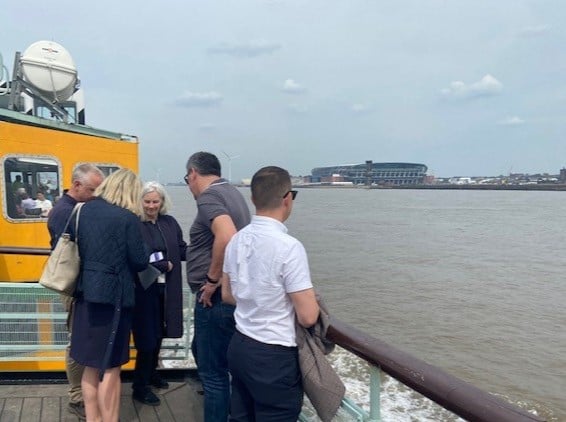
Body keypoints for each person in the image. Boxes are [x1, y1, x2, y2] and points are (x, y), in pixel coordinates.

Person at [221, 166, 320, 421]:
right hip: (273, 356)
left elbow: (227, 295)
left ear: (253, 199)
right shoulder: (289, 248)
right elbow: (308, 316)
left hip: (240, 344)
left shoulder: (237, 240)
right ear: (287, 198)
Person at [70, 168, 148, 422]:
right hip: (114, 300)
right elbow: (139, 261)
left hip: (84, 296)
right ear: (130, 192)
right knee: (112, 369)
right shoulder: (127, 218)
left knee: (90, 367)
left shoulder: (82, 210)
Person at [184, 151, 251, 422]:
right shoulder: (233, 194)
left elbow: (227, 236)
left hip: (214, 299)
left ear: (193, 174)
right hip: (233, 297)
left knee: (214, 377)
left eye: (187, 179)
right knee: (202, 352)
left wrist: (212, 282)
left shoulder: (209, 197)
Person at [46, 163, 105, 420]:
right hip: (73, 287)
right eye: (92, 190)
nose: (96, 196)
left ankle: (83, 391)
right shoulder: (65, 213)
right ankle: (76, 396)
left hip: (81, 285)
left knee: (81, 338)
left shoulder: (75, 209)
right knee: (76, 341)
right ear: (77, 185)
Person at [132, 181, 188, 406]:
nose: (152, 206)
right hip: (144, 289)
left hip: (167, 288)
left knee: (161, 333)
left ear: (163, 202)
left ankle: (152, 373)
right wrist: (162, 263)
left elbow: (181, 248)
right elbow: (138, 257)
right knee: (147, 338)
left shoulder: (169, 222)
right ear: (140, 201)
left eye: (156, 201)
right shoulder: (135, 224)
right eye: (147, 202)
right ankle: (139, 386)